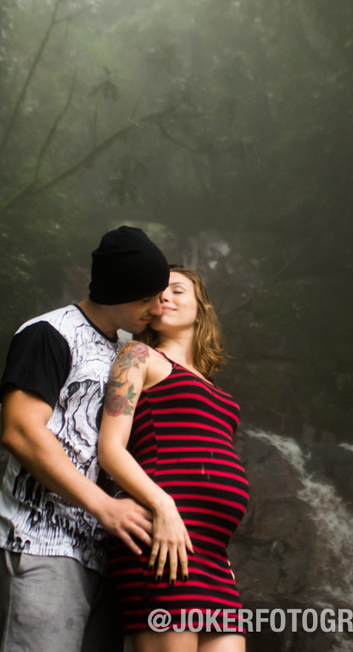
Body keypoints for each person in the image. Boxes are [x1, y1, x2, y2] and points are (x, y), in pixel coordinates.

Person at [0, 226, 170, 652]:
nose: (158, 308)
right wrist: (104, 505)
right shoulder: (49, 333)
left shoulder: (125, 355)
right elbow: (20, 430)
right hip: (40, 544)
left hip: (106, 558)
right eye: (148, 296)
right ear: (119, 290)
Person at [98, 265, 249, 652]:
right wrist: (162, 506)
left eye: (178, 290)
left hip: (212, 555)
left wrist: (219, 544)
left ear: (202, 307)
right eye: (157, 292)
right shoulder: (137, 356)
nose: (165, 296)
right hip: (163, 539)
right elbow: (110, 449)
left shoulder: (220, 394)